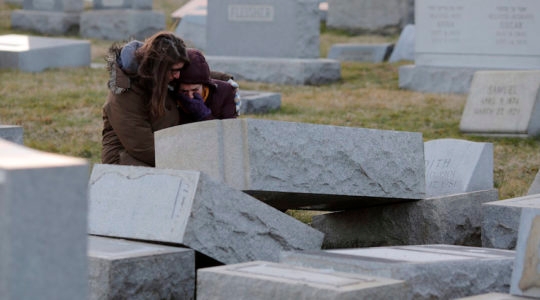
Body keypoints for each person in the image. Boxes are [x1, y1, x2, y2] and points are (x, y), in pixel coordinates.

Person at [101, 31, 190, 167]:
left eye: (180, 70)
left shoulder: (161, 75)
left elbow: (196, 74)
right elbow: (141, 146)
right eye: (173, 71)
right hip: (126, 161)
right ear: (158, 68)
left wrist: (223, 83)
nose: (178, 76)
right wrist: (183, 162)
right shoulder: (125, 93)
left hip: (162, 151)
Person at [171, 48, 239, 124]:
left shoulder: (225, 92)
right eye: (184, 91)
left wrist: (204, 114)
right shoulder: (170, 96)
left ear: (204, 85)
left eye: (195, 90)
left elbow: (229, 131)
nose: (190, 96)